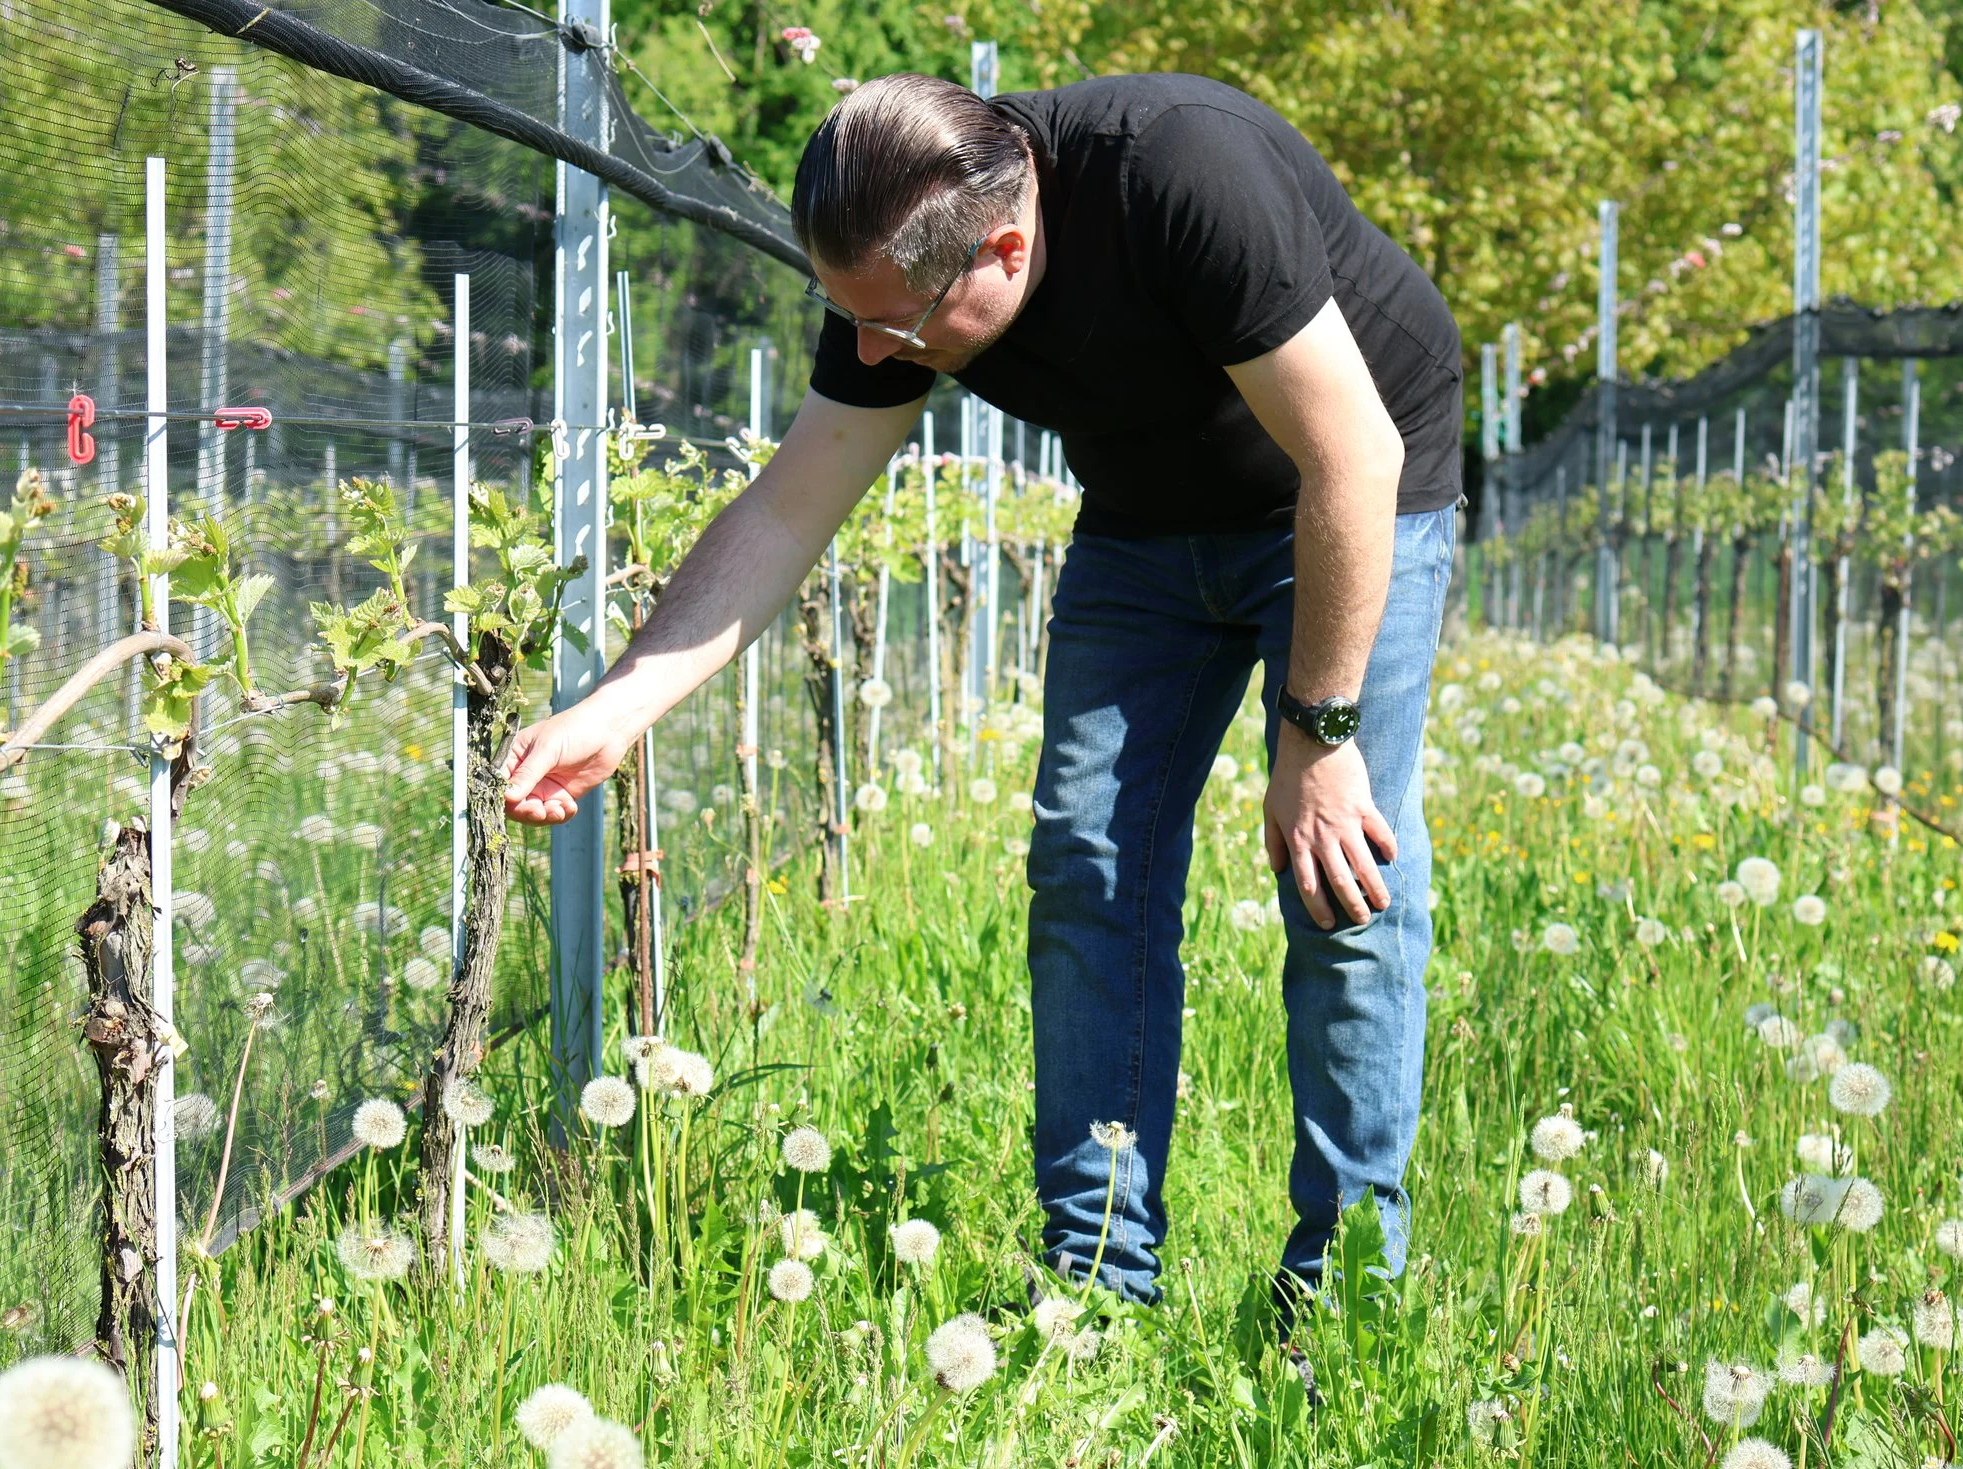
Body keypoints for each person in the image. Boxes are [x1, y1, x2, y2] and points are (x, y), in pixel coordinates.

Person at [501, 71, 1463, 1307]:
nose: (866, 352)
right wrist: (616, 705)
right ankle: (1097, 1281)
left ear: (1004, 250)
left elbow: (1353, 452)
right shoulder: (891, 259)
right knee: (1086, 865)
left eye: (896, 330)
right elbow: (794, 502)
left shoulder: (1180, 172)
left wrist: (1317, 737)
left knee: (1343, 880)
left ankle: (1345, 1296)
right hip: (1146, 515)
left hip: (1344, 496)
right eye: (848, 318)